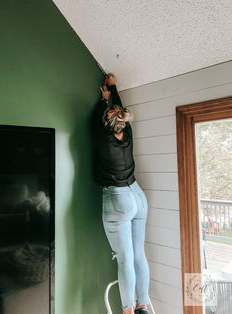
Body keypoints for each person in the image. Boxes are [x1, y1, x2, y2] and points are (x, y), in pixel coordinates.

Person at [93, 74, 150, 314]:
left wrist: (103, 101)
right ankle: (142, 305)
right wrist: (113, 89)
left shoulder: (104, 140)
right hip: (138, 195)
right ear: (123, 122)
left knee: (126, 260)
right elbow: (120, 113)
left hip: (118, 199)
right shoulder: (127, 135)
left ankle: (127, 311)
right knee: (139, 255)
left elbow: (99, 120)